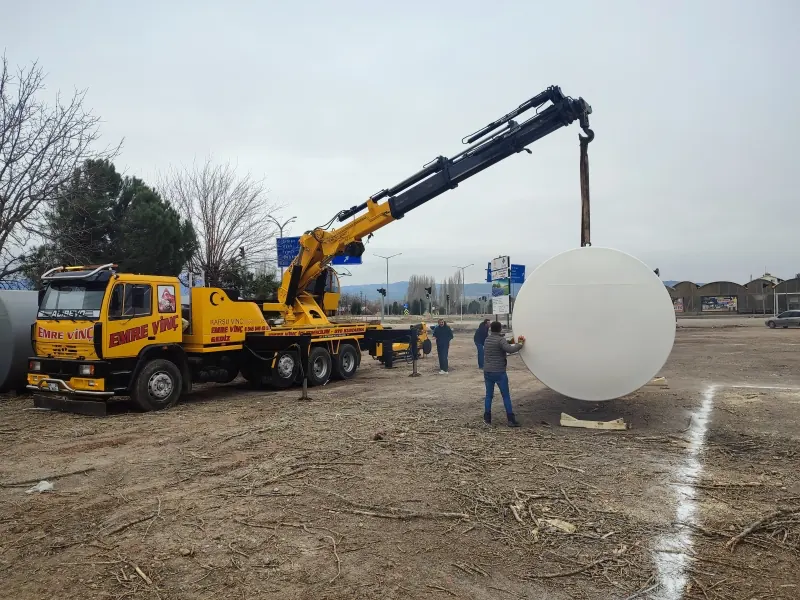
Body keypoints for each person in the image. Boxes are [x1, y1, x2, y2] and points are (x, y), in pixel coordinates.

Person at [482, 321, 525, 427]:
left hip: (487, 371)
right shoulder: (500, 340)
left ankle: (487, 419)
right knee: (505, 396)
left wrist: (510, 341)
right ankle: (511, 420)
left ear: (491, 329)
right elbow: (510, 350)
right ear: (500, 329)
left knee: (488, 396)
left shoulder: (487, 339)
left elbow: (501, 345)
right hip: (499, 372)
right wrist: (520, 344)